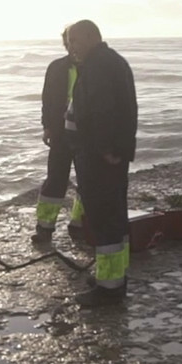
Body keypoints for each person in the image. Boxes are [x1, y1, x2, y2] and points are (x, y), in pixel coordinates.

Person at [65, 19, 137, 306]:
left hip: (99, 157)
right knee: (114, 217)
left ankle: (109, 288)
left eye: (74, 41)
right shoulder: (108, 61)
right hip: (104, 154)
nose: (71, 48)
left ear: (90, 36)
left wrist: (107, 149)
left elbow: (104, 111)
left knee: (105, 218)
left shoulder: (100, 65)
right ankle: (115, 276)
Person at [32, 28, 85, 244]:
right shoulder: (56, 67)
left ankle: (80, 224)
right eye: (68, 41)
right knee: (55, 179)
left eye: (75, 41)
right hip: (61, 133)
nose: (71, 45)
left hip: (85, 134)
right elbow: (47, 100)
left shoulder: (93, 67)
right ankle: (44, 227)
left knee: (87, 181)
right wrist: (47, 126)